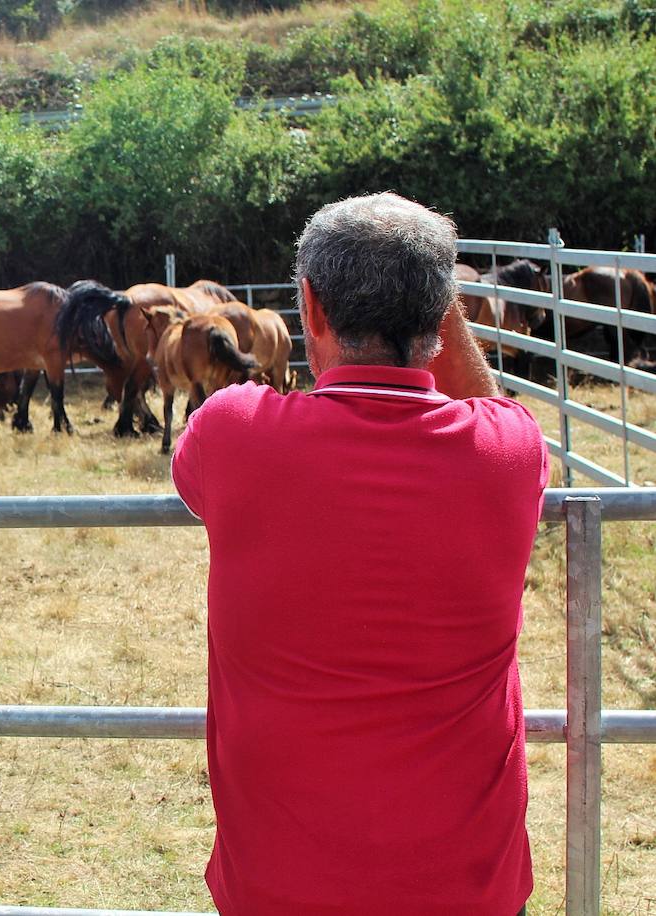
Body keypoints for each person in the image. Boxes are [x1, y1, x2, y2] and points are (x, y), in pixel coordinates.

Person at [171, 193, 545, 915]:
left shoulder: (233, 431)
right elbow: (492, 407)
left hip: (280, 889)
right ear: (443, 312)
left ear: (308, 307)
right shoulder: (509, 450)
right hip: (468, 889)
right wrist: (436, 301)